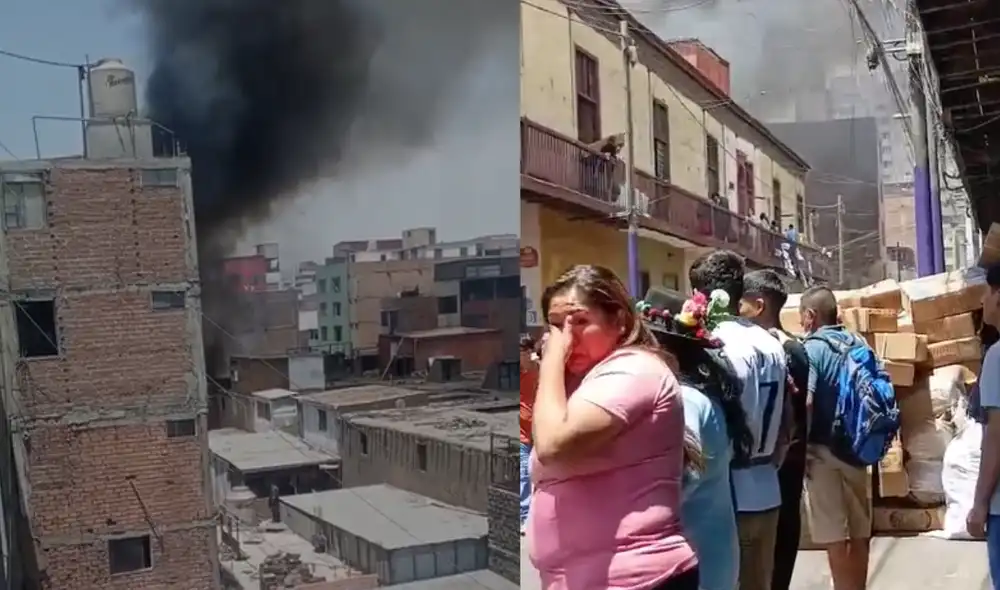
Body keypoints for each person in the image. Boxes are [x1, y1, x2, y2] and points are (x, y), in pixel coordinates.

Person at [528, 264, 700, 590]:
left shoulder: (634, 370)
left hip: (637, 580)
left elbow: (552, 445)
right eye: (555, 326)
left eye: (580, 322)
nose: (566, 338)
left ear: (619, 320)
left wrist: (551, 362)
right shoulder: (587, 382)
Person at [639, 286, 754, 590]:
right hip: (711, 559)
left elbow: (679, 481)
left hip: (697, 565)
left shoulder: (686, 400)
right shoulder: (700, 394)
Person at [689, 251, 788, 590]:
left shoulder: (715, 345)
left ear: (700, 297)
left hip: (729, 497)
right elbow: (787, 423)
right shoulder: (771, 341)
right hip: (768, 487)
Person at [798, 285, 872, 590]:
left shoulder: (811, 349)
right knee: (859, 529)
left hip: (823, 451)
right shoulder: (860, 343)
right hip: (858, 447)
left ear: (811, 316)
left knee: (834, 533)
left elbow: (808, 402)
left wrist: (799, 447)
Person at [741, 269, 810, 590]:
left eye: (739, 304)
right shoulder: (794, 348)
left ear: (759, 305)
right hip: (784, 471)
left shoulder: (776, 350)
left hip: (775, 471)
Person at [968, 265, 1000, 590]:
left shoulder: (998, 357)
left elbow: (996, 438)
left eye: (986, 291)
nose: (982, 299)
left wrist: (979, 504)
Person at [519, 333, 539, 533]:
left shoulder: (540, 371)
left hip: (540, 433)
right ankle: (524, 518)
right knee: (524, 474)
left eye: (525, 351)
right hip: (523, 435)